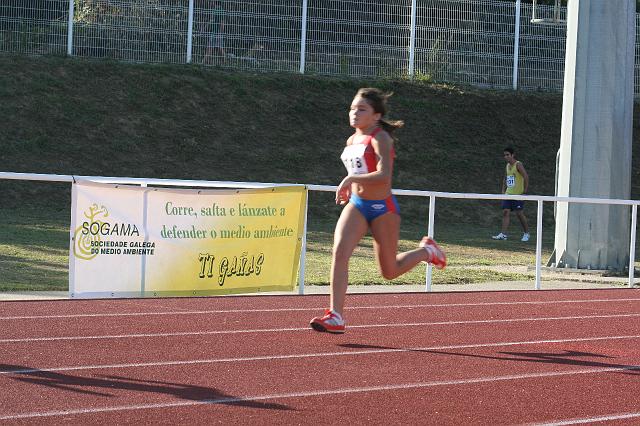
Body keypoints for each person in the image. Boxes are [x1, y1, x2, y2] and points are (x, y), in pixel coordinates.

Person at [309, 88, 447, 334]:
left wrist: (350, 179)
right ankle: (336, 315)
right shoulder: (351, 140)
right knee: (340, 253)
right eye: (353, 108)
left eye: (362, 109)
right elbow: (361, 172)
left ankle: (427, 251)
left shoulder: (381, 138)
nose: (354, 113)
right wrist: (352, 186)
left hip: (383, 208)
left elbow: (384, 176)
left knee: (390, 271)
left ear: (375, 116)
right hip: (359, 206)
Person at [492, 146, 530, 242]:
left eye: (508, 155)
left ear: (513, 155)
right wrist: (503, 190)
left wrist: (525, 191)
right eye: (504, 155)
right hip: (508, 193)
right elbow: (505, 178)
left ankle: (526, 233)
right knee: (505, 212)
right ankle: (503, 234)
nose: (506, 157)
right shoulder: (507, 166)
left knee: (519, 213)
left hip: (518, 194)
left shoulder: (518, 164)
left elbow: (526, 177)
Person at [203, 0, 226, 64]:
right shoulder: (219, 9)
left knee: (210, 47)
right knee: (219, 48)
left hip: (216, 32)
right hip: (216, 32)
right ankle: (223, 62)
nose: (210, 3)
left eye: (211, 1)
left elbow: (221, 22)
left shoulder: (216, 10)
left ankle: (204, 62)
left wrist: (205, 28)